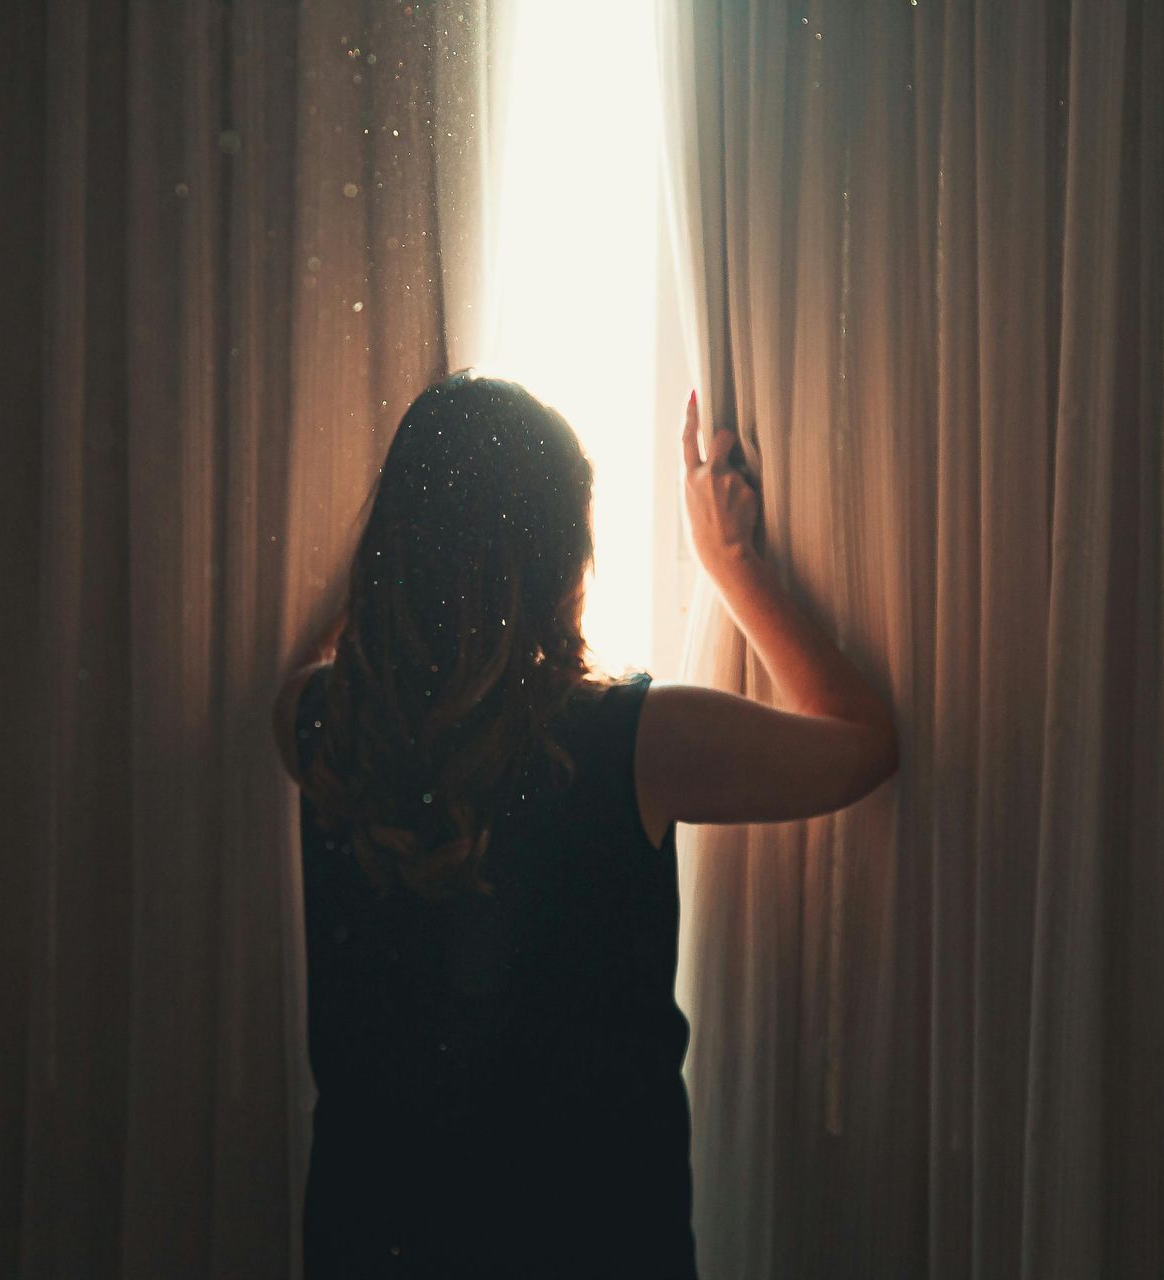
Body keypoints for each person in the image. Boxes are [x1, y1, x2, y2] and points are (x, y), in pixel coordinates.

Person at [272, 371, 898, 1278]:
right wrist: (734, 567)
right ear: (557, 554)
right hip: (592, 1241)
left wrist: (402, 560)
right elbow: (862, 745)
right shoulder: (630, 742)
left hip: (373, 1239)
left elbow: (324, 664)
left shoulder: (324, 727)